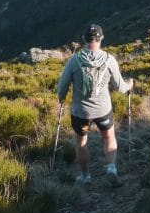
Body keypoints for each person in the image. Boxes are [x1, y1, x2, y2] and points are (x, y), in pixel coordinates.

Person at [56, 23, 132, 187]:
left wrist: (61, 98)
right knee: (109, 137)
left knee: (81, 143)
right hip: (103, 110)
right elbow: (119, 86)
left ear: (84, 39)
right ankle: (111, 169)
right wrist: (129, 86)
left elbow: (62, 87)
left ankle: (85, 177)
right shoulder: (109, 59)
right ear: (101, 39)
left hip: (81, 112)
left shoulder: (74, 61)